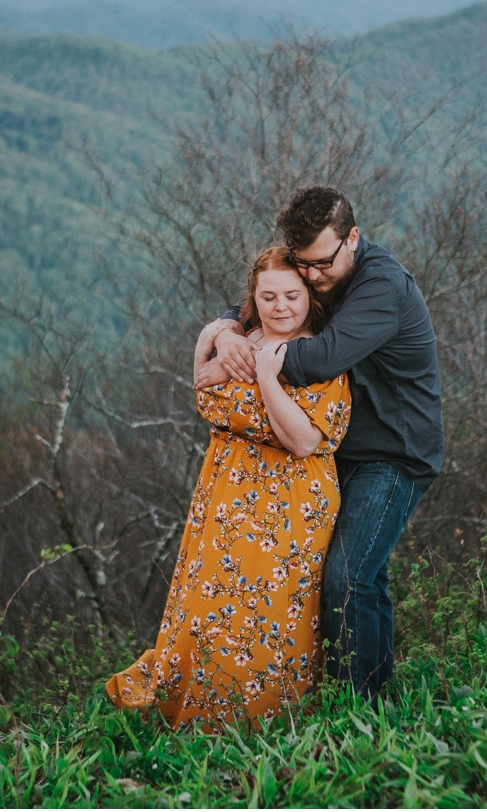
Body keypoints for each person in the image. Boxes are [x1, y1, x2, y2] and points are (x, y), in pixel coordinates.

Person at [201, 186, 443, 701]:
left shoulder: (383, 288)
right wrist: (227, 325)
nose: (311, 276)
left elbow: (318, 359)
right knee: (343, 579)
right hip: (338, 453)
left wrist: (240, 357)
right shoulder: (317, 261)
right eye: (303, 263)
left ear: (353, 238)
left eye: (320, 264)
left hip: (394, 454)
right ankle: (365, 699)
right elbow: (270, 290)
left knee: (349, 577)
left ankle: (361, 708)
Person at [105, 247, 351, 728]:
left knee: (275, 611)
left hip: (291, 502)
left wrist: (266, 378)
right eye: (268, 296)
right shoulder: (241, 338)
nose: (281, 306)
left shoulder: (323, 351)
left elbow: (302, 440)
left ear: (310, 297)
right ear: (253, 298)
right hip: (225, 492)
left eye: (292, 295)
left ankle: (268, 717)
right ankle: (205, 709)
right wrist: (218, 335)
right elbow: (203, 382)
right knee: (212, 607)